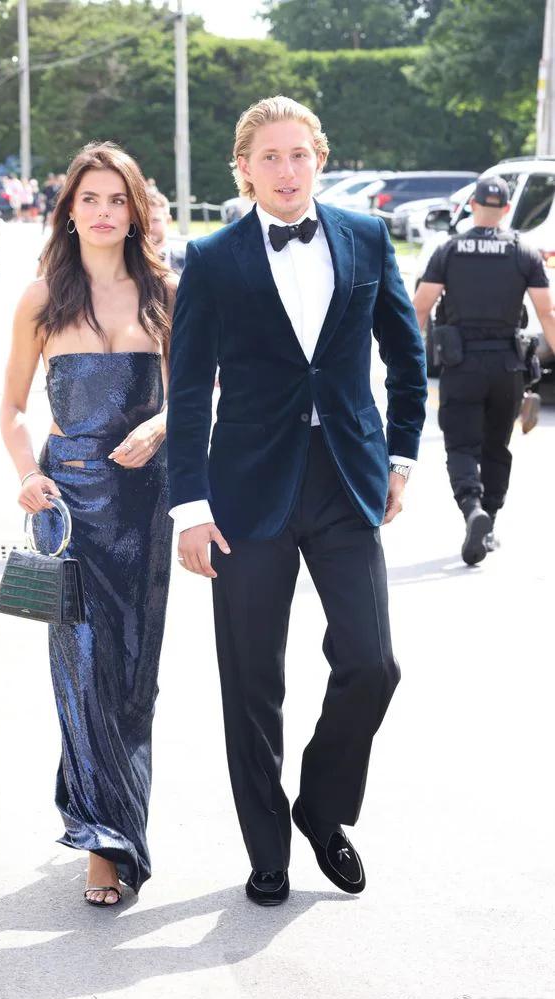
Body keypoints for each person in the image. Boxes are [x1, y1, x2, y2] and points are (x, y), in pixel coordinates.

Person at [167, 96, 427, 906]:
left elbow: (406, 355)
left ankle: (320, 806)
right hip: (245, 489)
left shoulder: (366, 236)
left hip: (346, 477)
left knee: (373, 663)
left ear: (320, 158)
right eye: (270, 157)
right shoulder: (212, 258)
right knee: (252, 679)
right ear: (243, 169)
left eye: (299, 154)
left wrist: (402, 455)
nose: (287, 171)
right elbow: (187, 394)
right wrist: (189, 508)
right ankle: (267, 849)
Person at [0, 141, 177, 907]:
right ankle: (102, 845)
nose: (104, 212)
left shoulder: (165, 292)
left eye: (117, 200)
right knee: (78, 669)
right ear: (68, 210)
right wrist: (26, 474)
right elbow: (11, 408)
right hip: (64, 512)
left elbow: (196, 393)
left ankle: (117, 816)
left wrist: (162, 425)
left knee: (131, 676)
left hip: (142, 507)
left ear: (135, 211)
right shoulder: (41, 299)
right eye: (90, 199)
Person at [413, 176, 555, 564]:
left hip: (461, 366)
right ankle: (489, 520)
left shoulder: (449, 249)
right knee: (496, 446)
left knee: (461, 445)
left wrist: (406, 360)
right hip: (508, 367)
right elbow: (547, 313)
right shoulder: (523, 252)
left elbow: (420, 307)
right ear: (506, 210)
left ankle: (472, 507)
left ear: (474, 206)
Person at [148, 192, 184, 273]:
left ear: (168, 221)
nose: (149, 227)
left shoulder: (187, 260)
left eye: (155, 220)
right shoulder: (127, 261)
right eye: (144, 220)